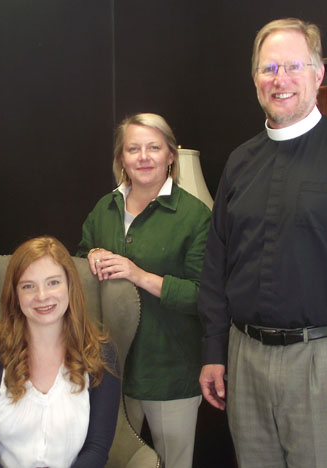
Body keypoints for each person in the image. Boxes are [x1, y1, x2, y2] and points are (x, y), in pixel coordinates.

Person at [198, 18, 327, 468]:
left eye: (294, 66)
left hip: (326, 365)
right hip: (244, 360)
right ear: (255, 79)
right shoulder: (240, 162)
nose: (281, 79)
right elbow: (216, 264)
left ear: (318, 73)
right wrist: (214, 350)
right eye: (269, 68)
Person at [76, 113, 211, 468]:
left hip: (170, 370)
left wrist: (139, 275)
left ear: (171, 156)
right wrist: (91, 256)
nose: (144, 157)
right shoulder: (104, 208)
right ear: (121, 158)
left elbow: (203, 296)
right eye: (133, 149)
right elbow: (78, 266)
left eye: (154, 147)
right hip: (111, 368)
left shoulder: (195, 216)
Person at [0, 236, 120, 468]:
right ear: (15, 294)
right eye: (28, 286)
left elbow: (97, 450)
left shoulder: (101, 354)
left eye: (53, 282)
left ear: (70, 285)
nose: (42, 296)